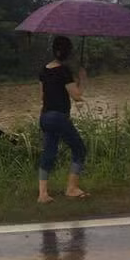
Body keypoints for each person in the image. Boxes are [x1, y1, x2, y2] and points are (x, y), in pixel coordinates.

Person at [38, 36, 87, 203]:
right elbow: (77, 96)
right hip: (59, 117)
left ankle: (42, 194)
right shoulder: (64, 71)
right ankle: (72, 188)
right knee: (79, 149)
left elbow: (42, 96)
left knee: (49, 153)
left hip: (45, 117)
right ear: (68, 52)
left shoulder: (44, 70)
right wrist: (82, 79)